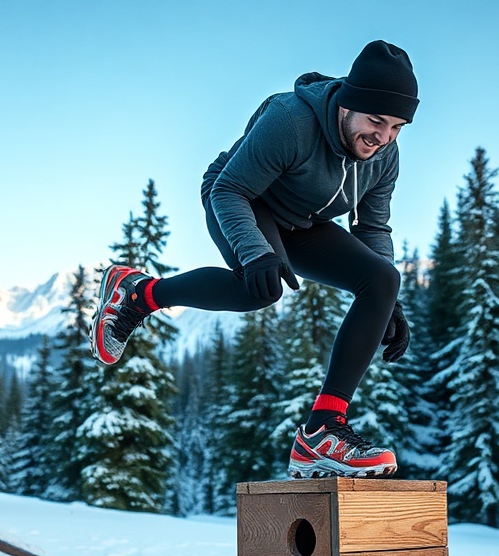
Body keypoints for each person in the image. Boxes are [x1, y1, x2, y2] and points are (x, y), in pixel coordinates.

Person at [90, 40, 418, 479]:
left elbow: (372, 228)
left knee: (382, 280)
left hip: (303, 221)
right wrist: (255, 252)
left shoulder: (385, 157)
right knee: (256, 290)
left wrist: (388, 306)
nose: (383, 137)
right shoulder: (291, 120)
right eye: (376, 121)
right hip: (241, 195)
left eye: (397, 126)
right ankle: (139, 293)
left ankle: (322, 432)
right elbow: (230, 190)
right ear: (346, 105)